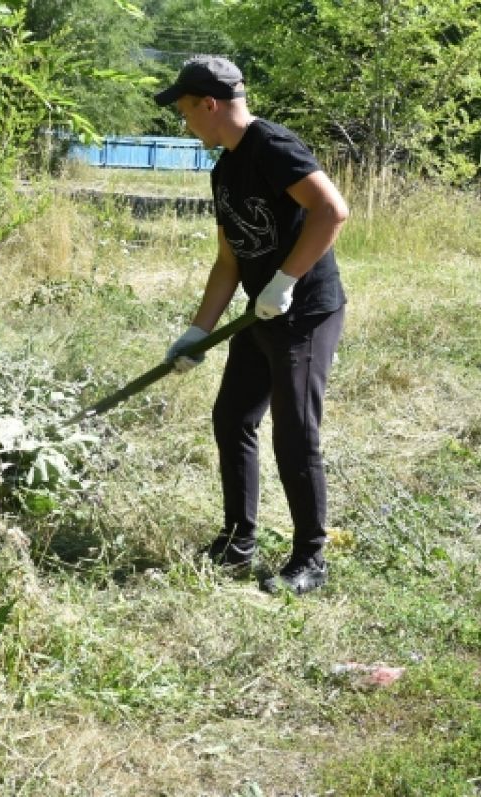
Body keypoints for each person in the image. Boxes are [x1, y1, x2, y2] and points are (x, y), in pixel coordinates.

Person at [155, 56, 349, 595]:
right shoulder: (224, 169)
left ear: (209, 105)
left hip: (305, 311)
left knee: (294, 434)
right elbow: (229, 261)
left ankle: (311, 558)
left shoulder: (273, 146)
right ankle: (239, 540)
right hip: (259, 312)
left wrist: (286, 280)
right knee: (232, 416)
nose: (185, 123)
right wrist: (198, 331)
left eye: (185, 111)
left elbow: (331, 211)